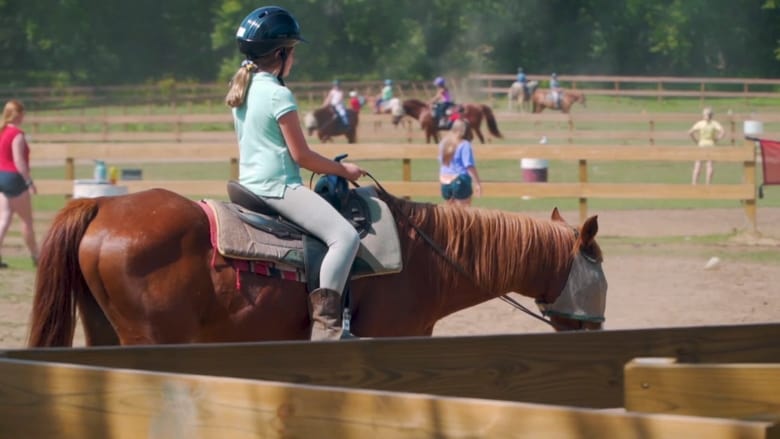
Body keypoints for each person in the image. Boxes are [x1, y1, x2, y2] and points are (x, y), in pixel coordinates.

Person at [226, 6, 365, 340]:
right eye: (294, 53)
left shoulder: (242, 87)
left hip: (249, 184)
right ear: (280, 53)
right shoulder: (278, 93)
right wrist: (343, 169)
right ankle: (328, 326)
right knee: (345, 238)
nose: (295, 60)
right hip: (279, 188)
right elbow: (301, 156)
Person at [0, 100, 38, 268]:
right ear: (19, 115)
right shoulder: (17, 134)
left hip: (1, 177)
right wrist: (29, 182)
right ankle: (36, 256)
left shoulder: (2, 131)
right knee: (27, 221)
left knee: (4, 219)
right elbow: (19, 160)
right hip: (14, 177)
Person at [438, 119, 481, 207]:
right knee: (463, 215)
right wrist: (477, 183)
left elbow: (442, 162)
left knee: (450, 214)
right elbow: (469, 166)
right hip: (460, 180)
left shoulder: (444, 143)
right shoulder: (465, 144)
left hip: (444, 181)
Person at [688, 107, 724, 185]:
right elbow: (722, 131)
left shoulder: (700, 123)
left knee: (698, 164)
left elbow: (690, 132)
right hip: (711, 144)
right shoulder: (714, 123)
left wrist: (695, 141)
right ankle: (708, 184)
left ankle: (694, 184)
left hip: (701, 144)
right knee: (709, 165)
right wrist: (717, 139)